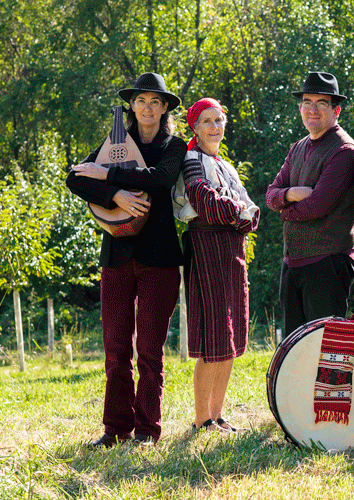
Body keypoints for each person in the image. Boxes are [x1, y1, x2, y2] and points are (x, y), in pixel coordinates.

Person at [66, 72, 186, 447]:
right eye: (140, 101)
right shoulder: (115, 143)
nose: (147, 108)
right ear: (131, 107)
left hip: (160, 259)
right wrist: (115, 194)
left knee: (149, 351)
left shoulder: (174, 146)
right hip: (116, 257)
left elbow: (162, 179)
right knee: (116, 350)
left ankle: (147, 430)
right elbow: (75, 177)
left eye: (155, 102)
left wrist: (109, 175)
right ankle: (115, 429)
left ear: (164, 108)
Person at [172, 98, 260, 433]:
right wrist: (238, 212)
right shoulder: (192, 160)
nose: (214, 127)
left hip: (233, 251)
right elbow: (204, 201)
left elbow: (252, 211)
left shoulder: (226, 166)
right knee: (213, 338)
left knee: (230, 337)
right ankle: (200, 419)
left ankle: (217, 414)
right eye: (207, 121)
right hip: (206, 246)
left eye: (219, 121)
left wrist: (240, 213)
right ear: (195, 127)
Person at [266, 72, 354, 338]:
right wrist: (291, 194)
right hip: (293, 262)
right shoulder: (298, 147)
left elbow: (319, 205)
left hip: (328, 263)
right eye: (307, 102)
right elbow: (271, 194)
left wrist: (283, 209)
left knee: (325, 348)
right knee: (295, 350)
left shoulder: (344, 150)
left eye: (322, 103)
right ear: (300, 109)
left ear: (336, 110)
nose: (313, 109)